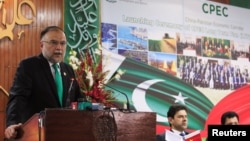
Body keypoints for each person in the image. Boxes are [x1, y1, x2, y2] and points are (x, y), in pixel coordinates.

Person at [4, 26, 85, 140]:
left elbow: (78, 98)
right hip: (37, 133)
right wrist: (12, 123)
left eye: (62, 43)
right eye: (53, 43)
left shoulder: (68, 69)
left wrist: (93, 108)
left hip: (64, 133)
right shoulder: (29, 66)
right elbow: (18, 98)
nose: (59, 48)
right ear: (41, 45)